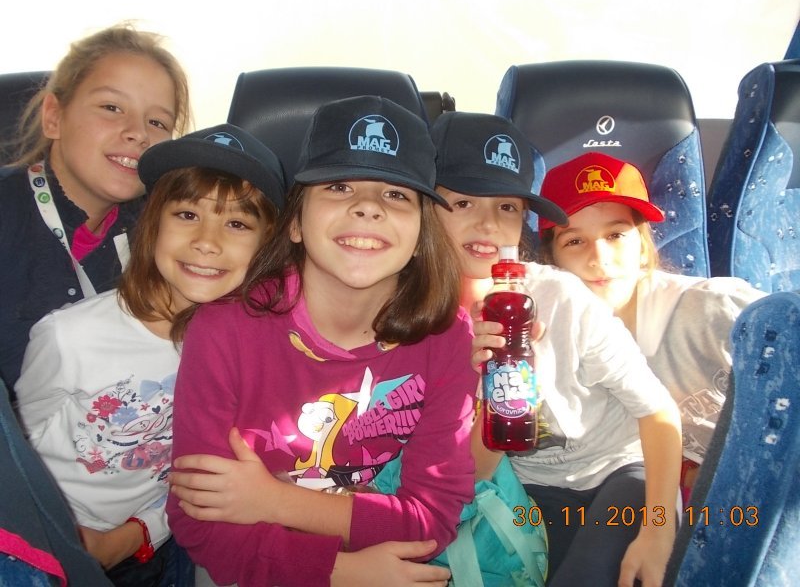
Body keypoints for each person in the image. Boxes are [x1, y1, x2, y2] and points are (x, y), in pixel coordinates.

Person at [165, 96, 476, 587]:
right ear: (295, 222)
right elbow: (199, 518)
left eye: (396, 194)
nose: (368, 206)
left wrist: (273, 501)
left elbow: (431, 520)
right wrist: (340, 572)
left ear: (421, 235)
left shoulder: (447, 335)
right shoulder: (223, 331)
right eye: (339, 186)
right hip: (257, 568)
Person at [14, 123, 285, 586]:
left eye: (237, 223)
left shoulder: (251, 350)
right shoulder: (70, 337)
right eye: (187, 214)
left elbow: (204, 475)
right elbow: (18, 455)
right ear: (152, 223)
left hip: (156, 539)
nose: (207, 241)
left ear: (267, 246)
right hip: (42, 540)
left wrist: (137, 534)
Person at [432, 112, 682, 587]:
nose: (488, 223)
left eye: (507, 207)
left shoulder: (561, 297)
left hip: (619, 470)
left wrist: (659, 529)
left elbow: (657, 411)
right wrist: (488, 387)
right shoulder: (420, 324)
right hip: (529, 488)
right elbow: (477, 472)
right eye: (463, 202)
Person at [536, 152, 765, 497]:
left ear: (643, 248)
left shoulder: (714, 308)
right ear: (552, 263)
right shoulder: (552, 339)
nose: (599, 258)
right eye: (575, 241)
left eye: (616, 235)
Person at [0, 23, 192, 391]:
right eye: (111, 107)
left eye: (157, 122)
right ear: (54, 116)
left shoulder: (171, 231)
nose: (138, 132)